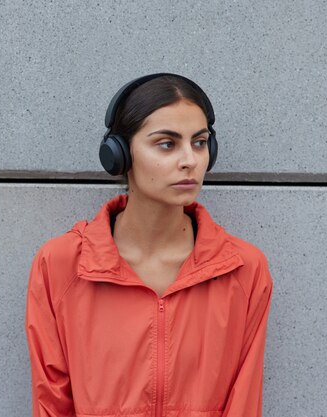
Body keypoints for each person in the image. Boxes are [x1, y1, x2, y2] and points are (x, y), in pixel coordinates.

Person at [25, 73, 274, 417]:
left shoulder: (243, 269)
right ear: (120, 155)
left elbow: (244, 405)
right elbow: (51, 404)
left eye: (199, 142)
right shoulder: (61, 264)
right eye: (167, 144)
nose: (189, 160)